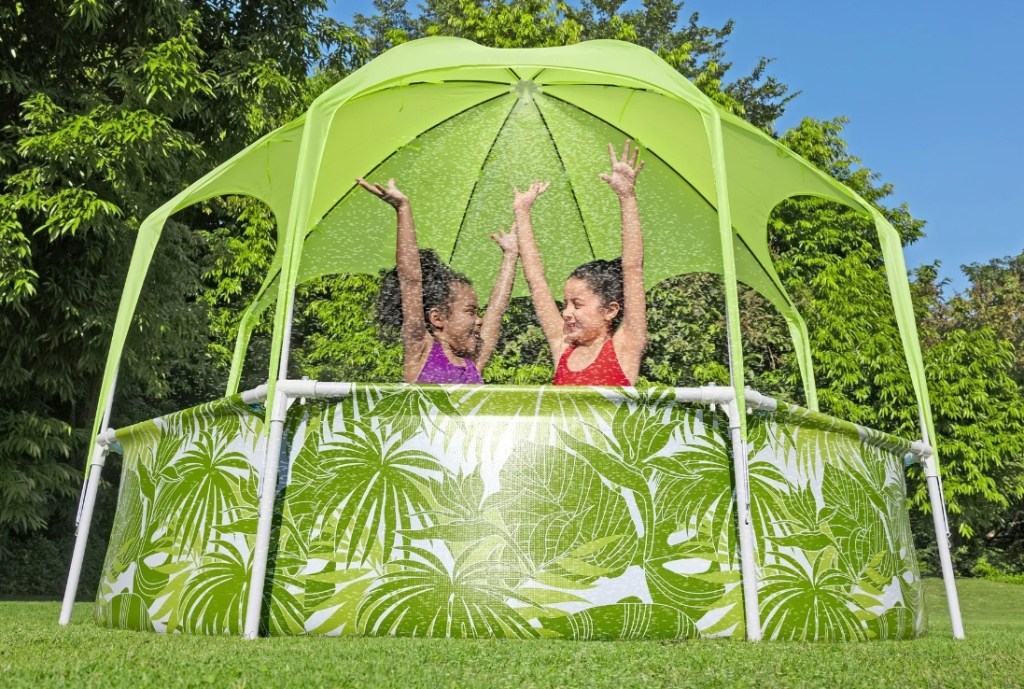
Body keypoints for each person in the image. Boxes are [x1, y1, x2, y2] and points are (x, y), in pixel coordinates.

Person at [357, 177, 519, 383]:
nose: (479, 320)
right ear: (438, 318)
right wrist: (403, 209)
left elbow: (496, 310)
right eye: (470, 311)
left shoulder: (474, 362)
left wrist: (511, 256)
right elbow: (411, 282)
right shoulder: (421, 349)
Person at [514, 140, 647, 386]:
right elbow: (536, 282)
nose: (566, 314)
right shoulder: (562, 345)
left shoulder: (626, 346)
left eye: (577, 305)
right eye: (565, 305)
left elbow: (633, 269)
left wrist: (627, 197)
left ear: (609, 311)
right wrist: (522, 212)